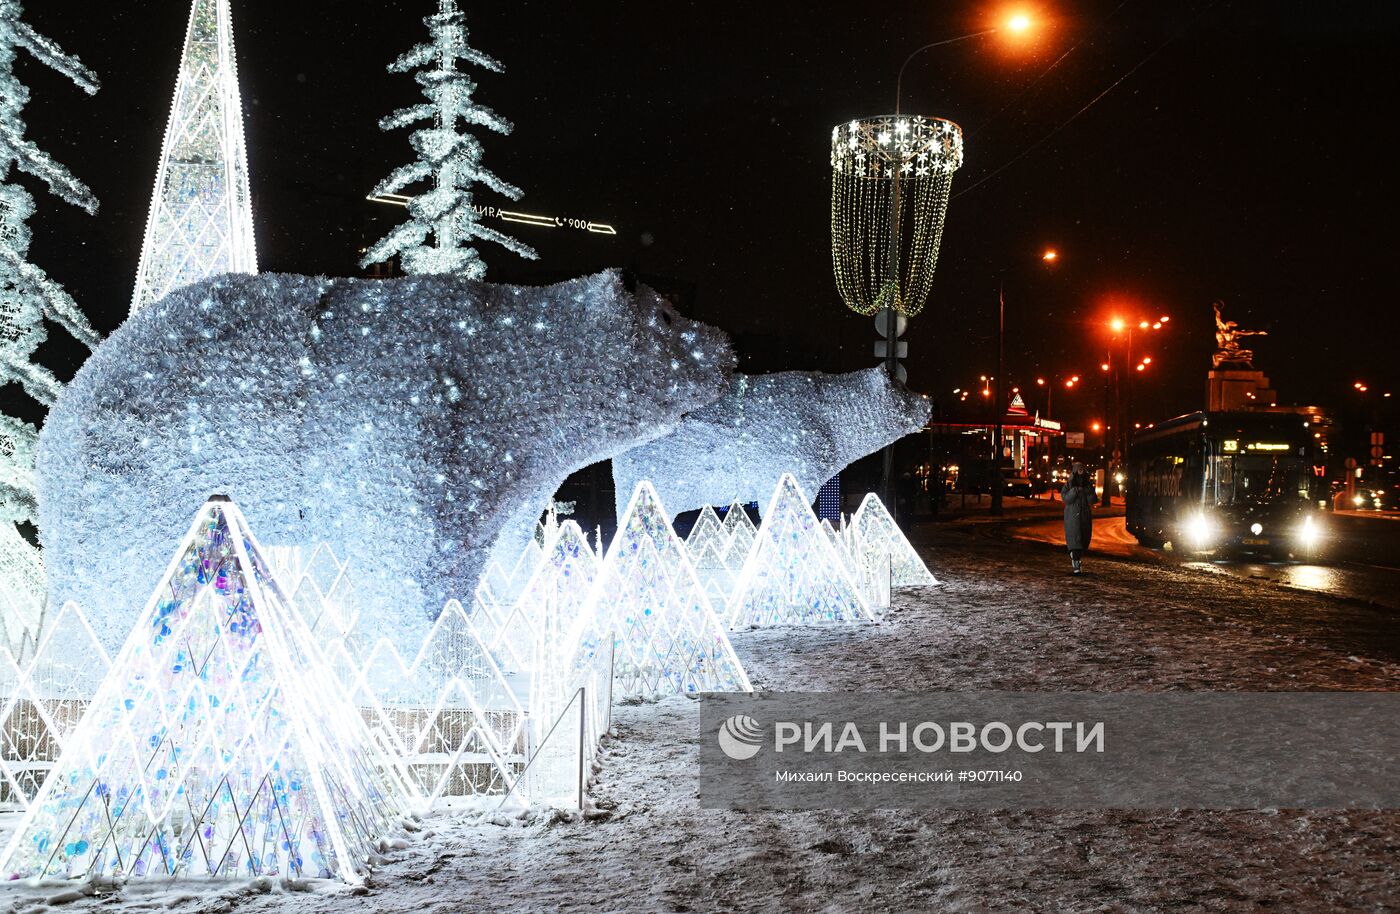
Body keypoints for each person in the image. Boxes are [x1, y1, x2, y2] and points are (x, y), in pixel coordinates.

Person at [1061, 461, 1097, 574]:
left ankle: (1076, 558)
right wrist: (1075, 491)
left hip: (1084, 516)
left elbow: (1093, 499)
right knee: (1075, 540)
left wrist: (1087, 491)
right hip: (1072, 516)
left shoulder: (1088, 484)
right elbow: (1066, 498)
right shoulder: (1069, 483)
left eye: (1082, 469)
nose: (1080, 472)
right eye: (1079, 469)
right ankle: (1075, 562)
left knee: (1083, 539)